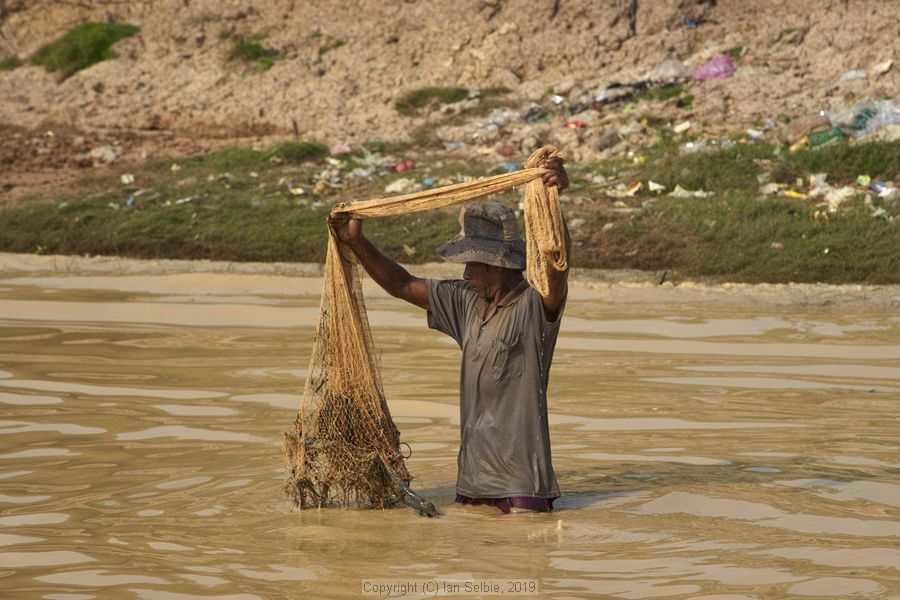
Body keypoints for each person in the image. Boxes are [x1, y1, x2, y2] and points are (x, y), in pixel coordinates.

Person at [328, 157, 570, 514]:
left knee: (524, 559)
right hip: (471, 480)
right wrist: (357, 242)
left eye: (474, 264)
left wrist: (553, 200)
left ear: (501, 266)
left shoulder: (533, 308)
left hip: (523, 484)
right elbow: (402, 284)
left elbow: (556, 268)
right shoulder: (465, 302)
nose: (467, 272)